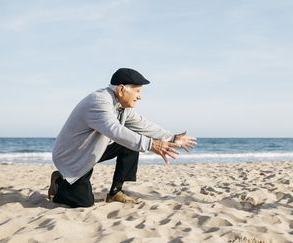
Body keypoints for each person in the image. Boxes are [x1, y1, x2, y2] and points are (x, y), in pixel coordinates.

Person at [48, 68, 197, 208]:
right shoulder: (99, 102)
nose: (140, 96)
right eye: (137, 91)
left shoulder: (123, 106)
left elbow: (143, 125)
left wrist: (172, 137)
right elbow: (115, 130)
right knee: (84, 202)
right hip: (73, 156)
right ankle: (59, 182)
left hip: (90, 150)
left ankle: (115, 192)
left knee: (131, 143)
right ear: (121, 89)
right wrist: (151, 145)